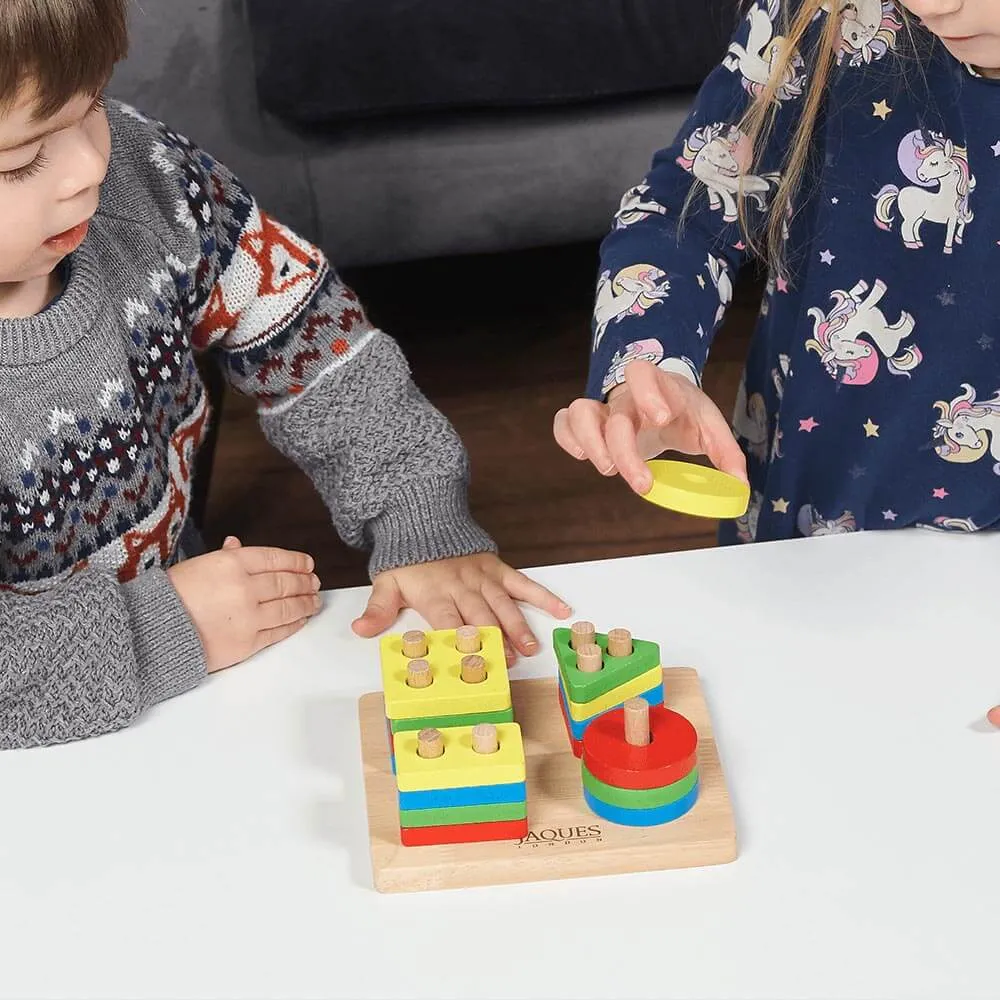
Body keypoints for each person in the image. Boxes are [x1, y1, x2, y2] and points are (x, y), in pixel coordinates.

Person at [0, 0, 570, 749]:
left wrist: (413, 509)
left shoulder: (145, 174)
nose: (90, 164)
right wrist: (163, 628)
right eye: (20, 160)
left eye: (95, 103)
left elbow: (309, 333)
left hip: (181, 684)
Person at [555, 0, 1000, 544]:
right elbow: (684, 213)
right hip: (813, 528)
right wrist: (647, 365)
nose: (938, 5)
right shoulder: (824, 15)